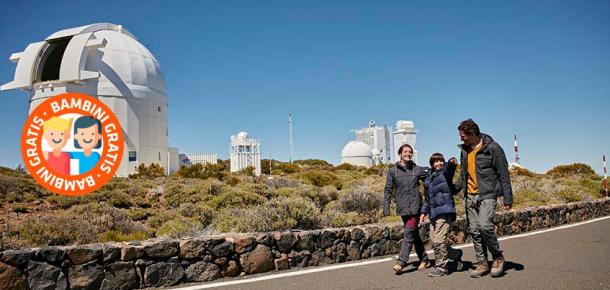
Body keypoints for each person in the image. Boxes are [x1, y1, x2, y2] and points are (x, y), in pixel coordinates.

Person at [457, 119, 513, 278]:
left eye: (463, 136)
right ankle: (482, 262)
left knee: (484, 226)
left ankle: (497, 257)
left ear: (472, 133)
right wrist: (454, 188)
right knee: (474, 231)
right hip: (470, 196)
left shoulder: (493, 148)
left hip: (487, 194)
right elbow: (463, 175)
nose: (461, 138)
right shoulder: (464, 150)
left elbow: (503, 173)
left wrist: (507, 198)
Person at [383, 143, 431, 274]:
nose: (408, 154)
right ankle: (424, 259)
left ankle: (401, 262)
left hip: (416, 207)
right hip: (403, 208)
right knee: (414, 235)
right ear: (400, 154)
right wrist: (386, 207)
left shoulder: (417, 169)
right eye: (405, 152)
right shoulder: (393, 171)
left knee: (409, 234)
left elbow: (432, 175)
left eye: (410, 152)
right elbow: (388, 189)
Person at [421, 153, 463, 277]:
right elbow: (427, 199)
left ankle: (442, 267)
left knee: (439, 241)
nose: (438, 163)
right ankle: (455, 255)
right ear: (432, 164)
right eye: (436, 161)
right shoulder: (428, 180)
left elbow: (449, 170)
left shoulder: (444, 174)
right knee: (435, 241)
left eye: (441, 161)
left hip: (444, 212)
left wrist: (451, 162)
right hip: (433, 213)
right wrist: (424, 212)